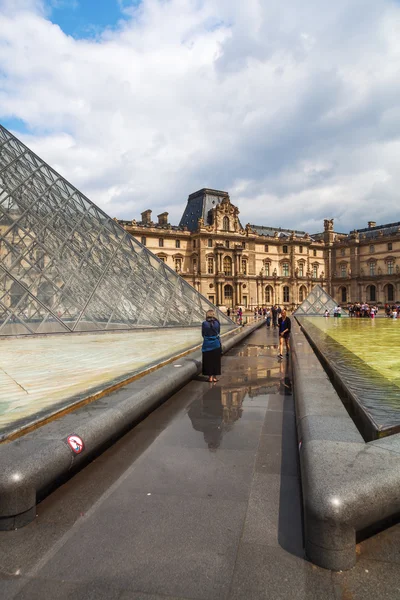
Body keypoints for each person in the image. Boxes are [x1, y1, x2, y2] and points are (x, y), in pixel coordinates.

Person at [202, 309, 221, 382]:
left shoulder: (204, 323)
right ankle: (215, 377)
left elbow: (203, 334)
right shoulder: (217, 323)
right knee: (216, 361)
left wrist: (207, 338)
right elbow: (218, 332)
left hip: (207, 345)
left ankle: (210, 377)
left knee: (208, 361)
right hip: (216, 344)